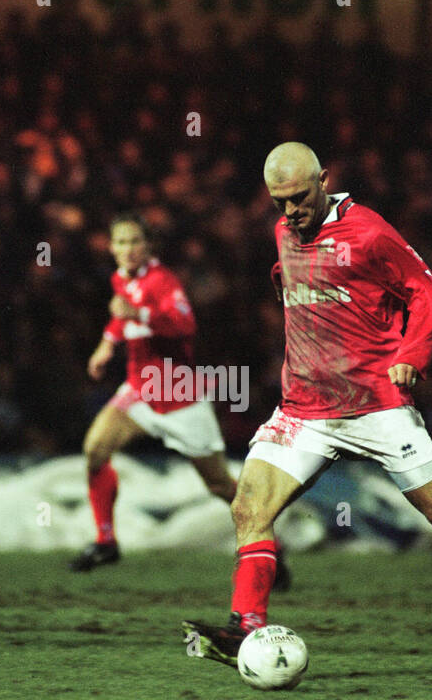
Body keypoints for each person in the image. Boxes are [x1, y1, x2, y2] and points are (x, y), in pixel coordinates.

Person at [183, 143, 432, 666]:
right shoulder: (283, 232)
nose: (290, 212)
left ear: (324, 180)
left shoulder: (370, 233)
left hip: (375, 404)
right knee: (249, 507)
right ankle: (247, 628)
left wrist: (411, 355)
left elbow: (426, 293)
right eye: (279, 202)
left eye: (298, 198)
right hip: (304, 410)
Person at [70, 213, 289, 588]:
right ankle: (106, 540)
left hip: (178, 396)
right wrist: (105, 346)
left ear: (148, 245)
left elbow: (184, 324)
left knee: (220, 485)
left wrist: (137, 313)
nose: (127, 249)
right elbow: (119, 319)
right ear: (111, 247)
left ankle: (272, 545)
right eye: (120, 243)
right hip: (140, 390)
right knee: (95, 450)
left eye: (134, 242)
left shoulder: (162, 281)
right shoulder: (122, 278)